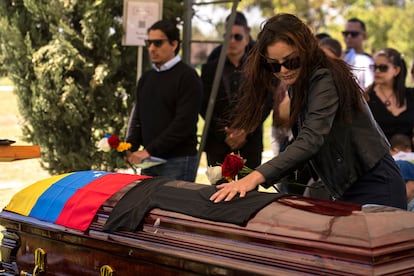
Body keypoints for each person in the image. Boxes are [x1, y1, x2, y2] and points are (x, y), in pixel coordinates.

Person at [210, 13, 407, 210]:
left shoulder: (324, 77)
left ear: (305, 50)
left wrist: (255, 177)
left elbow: (311, 139)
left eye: (291, 61)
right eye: (274, 65)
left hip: (375, 183)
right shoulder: (299, 82)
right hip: (349, 185)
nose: (284, 70)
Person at [126, 20, 203, 182]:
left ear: (174, 44)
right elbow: (138, 116)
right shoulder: (146, 78)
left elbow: (183, 123)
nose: (152, 48)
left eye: (158, 43)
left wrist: (149, 150)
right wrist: (128, 146)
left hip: (178, 160)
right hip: (149, 162)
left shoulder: (187, 77)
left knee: (174, 207)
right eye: (149, 42)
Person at [200, 12, 271, 169]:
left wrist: (246, 130)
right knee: (218, 192)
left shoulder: (260, 68)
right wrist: (224, 133)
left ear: (246, 38)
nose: (231, 41)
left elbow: (266, 101)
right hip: (218, 144)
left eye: (237, 37)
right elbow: (203, 104)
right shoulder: (210, 69)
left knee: (249, 192)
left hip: (250, 143)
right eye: (227, 36)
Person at [365, 48, 414, 150]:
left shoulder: (411, 95)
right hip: (379, 158)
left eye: (383, 68)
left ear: (396, 70)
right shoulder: (366, 97)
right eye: (374, 67)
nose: (377, 71)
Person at [342, 18, 374, 89]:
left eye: (354, 34)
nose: (349, 37)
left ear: (364, 36)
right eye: (346, 34)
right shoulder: (337, 57)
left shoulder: (368, 61)